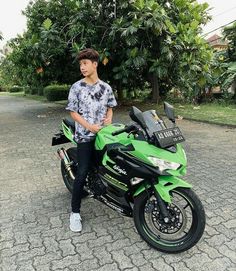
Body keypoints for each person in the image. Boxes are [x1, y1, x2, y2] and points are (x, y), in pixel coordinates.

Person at [66, 48, 117, 232]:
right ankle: (75, 213)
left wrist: (109, 118)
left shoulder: (106, 87)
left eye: (85, 63)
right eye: (80, 64)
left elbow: (111, 106)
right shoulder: (77, 87)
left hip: (103, 135)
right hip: (85, 136)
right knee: (82, 172)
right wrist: (89, 127)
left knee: (106, 166)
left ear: (95, 64)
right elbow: (73, 112)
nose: (82, 67)